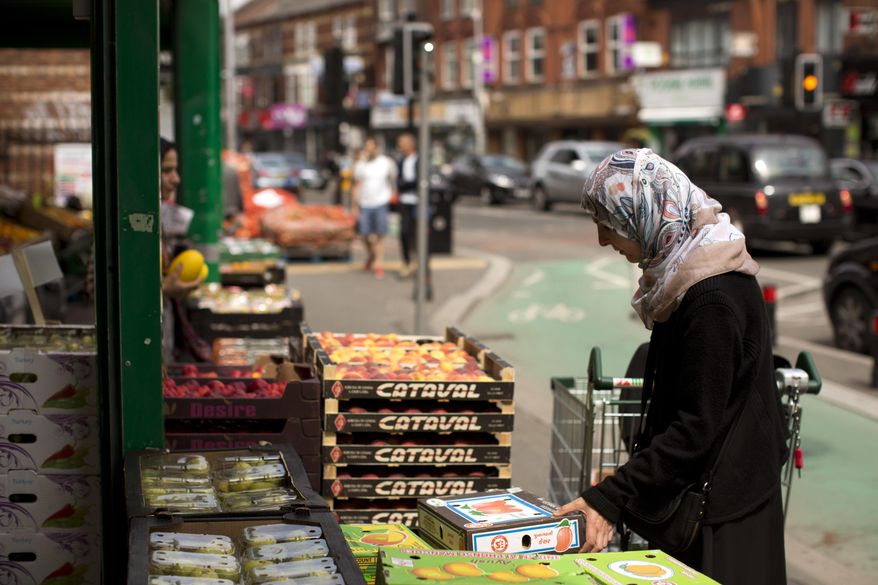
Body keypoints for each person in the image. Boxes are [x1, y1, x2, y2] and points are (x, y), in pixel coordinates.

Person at [556, 149, 788, 585]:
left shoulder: (710, 298)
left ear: (642, 212)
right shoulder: (688, 272)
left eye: (608, 223)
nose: (604, 239)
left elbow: (695, 429)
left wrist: (609, 498)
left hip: (724, 515)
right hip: (717, 495)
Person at [159, 138, 209, 362]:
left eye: (175, 170)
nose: (176, 179)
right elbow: (96, 290)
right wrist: (162, 289)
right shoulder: (118, 227)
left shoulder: (156, 216)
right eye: (167, 170)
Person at [395, 133, 434, 300]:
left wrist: (405, 183)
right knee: (403, 231)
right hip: (405, 200)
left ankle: (423, 270)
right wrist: (403, 183)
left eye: (402, 142)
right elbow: (399, 181)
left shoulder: (420, 160)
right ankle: (407, 262)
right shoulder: (401, 160)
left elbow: (420, 181)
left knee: (421, 237)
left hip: (420, 202)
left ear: (411, 144)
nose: (399, 145)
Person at [352, 137, 396, 279]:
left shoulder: (386, 162)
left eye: (371, 146)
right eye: (366, 146)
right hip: (365, 203)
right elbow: (356, 184)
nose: (369, 149)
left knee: (379, 235)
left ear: (377, 147)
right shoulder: (360, 164)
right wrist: (354, 205)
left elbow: (393, 179)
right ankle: (372, 255)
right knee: (363, 234)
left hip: (381, 202)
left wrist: (392, 194)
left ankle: (378, 263)